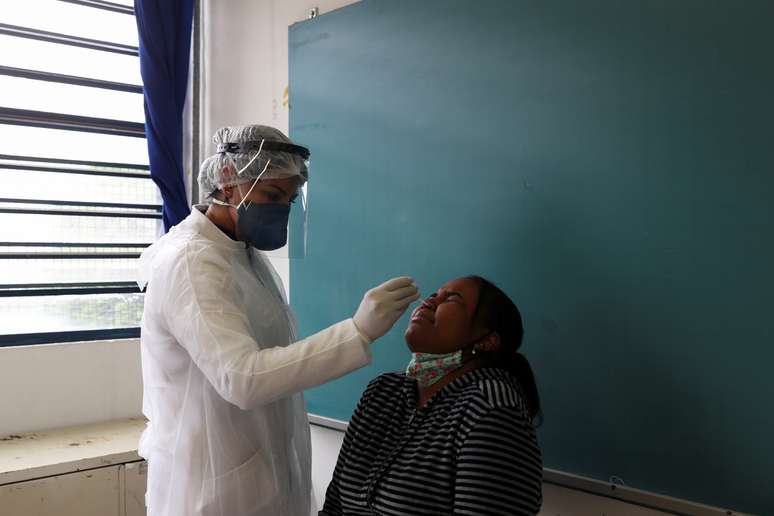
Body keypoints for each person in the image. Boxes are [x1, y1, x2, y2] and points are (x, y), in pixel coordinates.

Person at [136, 124, 420, 516]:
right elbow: (243, 378)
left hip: (259, 477)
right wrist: (356, 333)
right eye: (272, 195)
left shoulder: (244, 255)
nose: (281, 209)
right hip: (212, 491)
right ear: (227, 180)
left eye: (290, 198)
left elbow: (274, 364)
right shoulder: (192, 263)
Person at [320, 276, 543, 516]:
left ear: (487, 341)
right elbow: (334, 506)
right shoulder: (382, 390)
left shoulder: (492, 409)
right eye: (433, 295)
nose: (428, 302)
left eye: (451, 299)